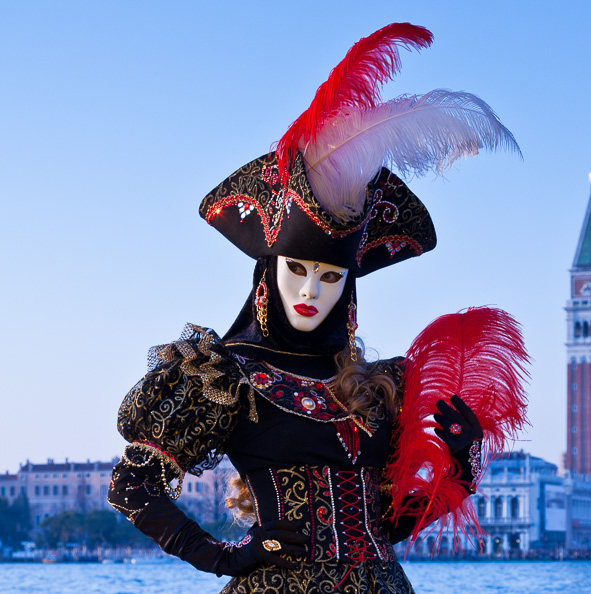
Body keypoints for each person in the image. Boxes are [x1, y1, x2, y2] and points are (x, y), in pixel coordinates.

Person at [108, 23, 527, 593]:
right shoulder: (224, 375)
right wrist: (225, 558)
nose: (311, 291)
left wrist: (457, 465)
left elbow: (390, 527)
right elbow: (133, 487)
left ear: (348, 287)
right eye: (297, 271)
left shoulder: (371, 386)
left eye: (330, 277)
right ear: (268, 272)